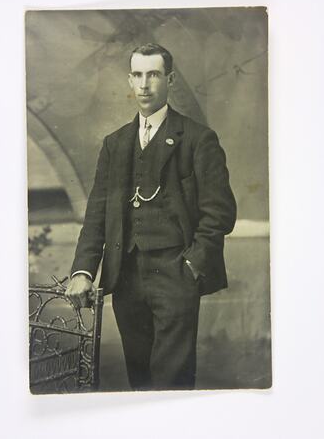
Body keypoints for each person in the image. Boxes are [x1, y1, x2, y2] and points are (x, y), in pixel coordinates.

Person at [65, 43, 236, 390]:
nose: (145, 85)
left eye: (154, 75)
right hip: (126, 278)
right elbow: (97, 214)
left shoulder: (198, 139)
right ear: (129, 80)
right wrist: (83, 271)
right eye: (138, 75)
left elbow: (220, 212)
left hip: (176, 275)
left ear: (169, 80)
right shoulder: (115, 144)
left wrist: (191, 266)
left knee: (171, 382)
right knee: (140, 383)